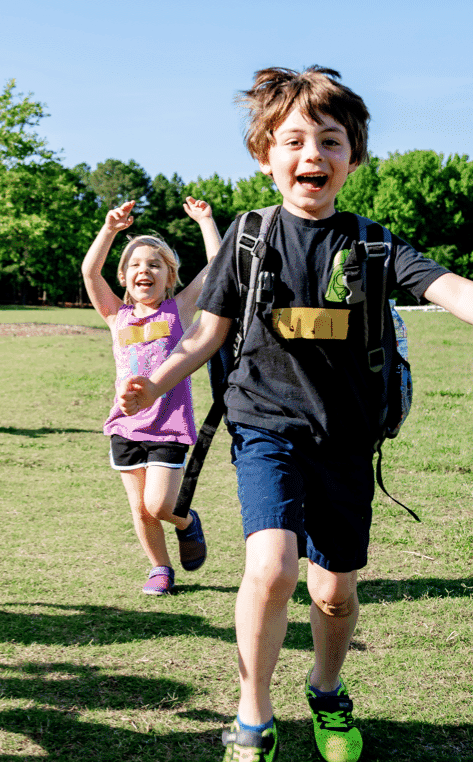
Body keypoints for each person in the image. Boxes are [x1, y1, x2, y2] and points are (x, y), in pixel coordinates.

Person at [117, 67, 473, 762]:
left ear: (352, 156)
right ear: (264, 156)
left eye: (330, 140)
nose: (312, 154)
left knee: (333, 593)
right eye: (293, 140)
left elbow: (445, 286)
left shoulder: (372, 244)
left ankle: (326, 691)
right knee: (271, 569)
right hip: (263, 429)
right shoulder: (248, 241)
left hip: (344, 439)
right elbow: (206, 333)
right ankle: (252, 714)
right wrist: (154, 382)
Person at [81, 197, 221, 595]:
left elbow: (217, 266)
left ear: (169, 277)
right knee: (141, 510)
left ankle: (186, 522)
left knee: (160, 506)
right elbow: (90, 272)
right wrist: (109, 230)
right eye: (137, 265)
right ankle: (159, 568)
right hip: (125, 426)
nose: (146, 270)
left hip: (169, 425)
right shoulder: (115, 315)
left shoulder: (178, 310)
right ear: (124, 277)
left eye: (155, 264)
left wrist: (206, 222)